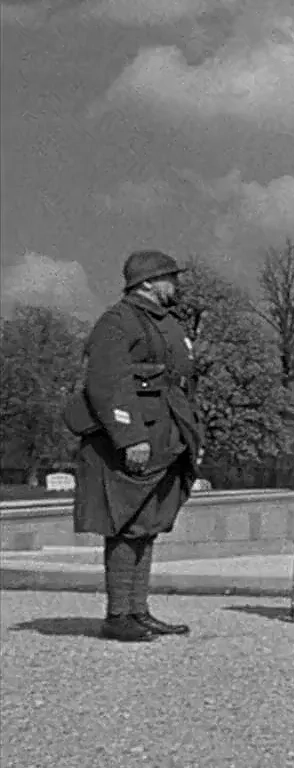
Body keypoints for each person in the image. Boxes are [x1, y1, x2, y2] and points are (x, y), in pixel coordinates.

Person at [68, 250, 204, 642]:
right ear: (147, 282)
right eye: (169, 279)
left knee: (147, 526)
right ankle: (118, 614)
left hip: (167, 437)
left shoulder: (166, 323)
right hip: (137, 439)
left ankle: (138, 610)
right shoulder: (118, 321)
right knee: (127, 525)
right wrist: (131, 437)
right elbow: (107, 383)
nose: (175, 285)